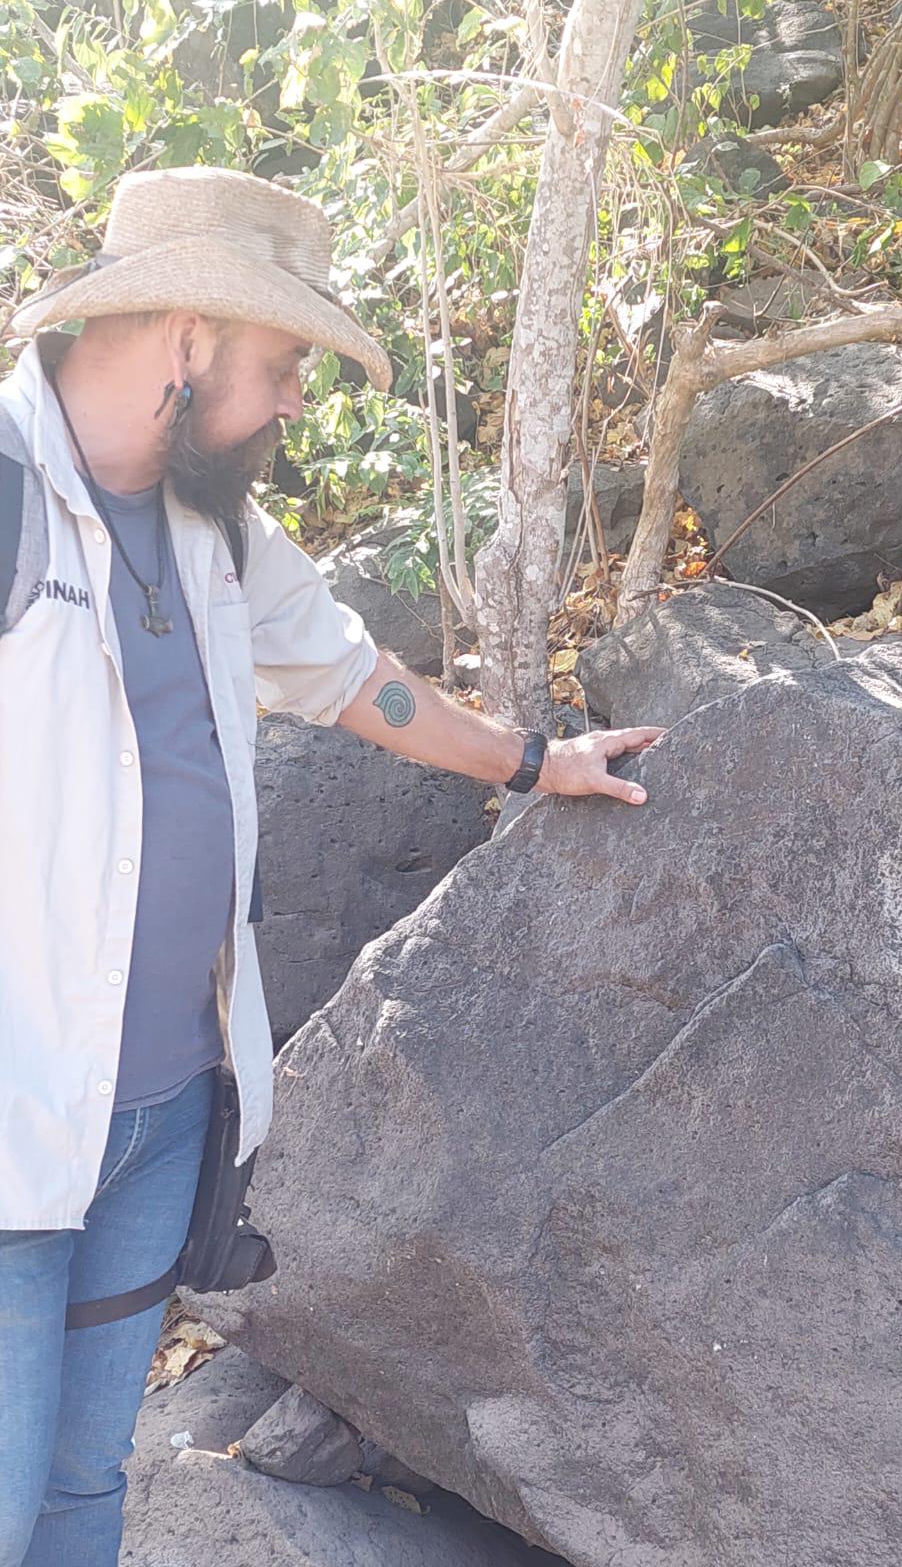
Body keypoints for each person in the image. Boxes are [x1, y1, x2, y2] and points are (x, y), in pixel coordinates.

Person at [0, 165, 663, 1567]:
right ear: (187, 339)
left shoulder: (210, 523)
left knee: (80, 1492)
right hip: (10, 1135)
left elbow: (359, 681)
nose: (296, 400)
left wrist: (535, 761)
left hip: (164, 1117)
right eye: (283, 362)